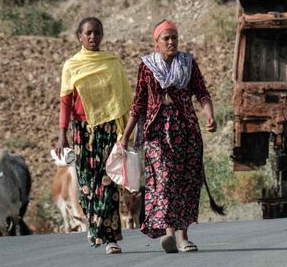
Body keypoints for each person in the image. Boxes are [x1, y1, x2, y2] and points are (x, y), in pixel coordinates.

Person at [120, 20, 216, 253]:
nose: (171, 42)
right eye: (166, 38)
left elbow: (201, 93)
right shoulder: (147, 67)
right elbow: (139, 103)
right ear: (157, 43)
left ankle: (184, 237)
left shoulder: (188, 63)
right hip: (156, 132)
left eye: (174, 37)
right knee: (163, 181)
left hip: (186, 130)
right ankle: (169, 233)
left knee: (185, 181)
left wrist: (210, 116)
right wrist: (125, 136)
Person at [57, 17, 133, 254]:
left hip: (109, 130)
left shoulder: (112, 63)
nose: (93, 37)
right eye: (88, 33)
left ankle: (110, 238)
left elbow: (121, 99)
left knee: (108, 184)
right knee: (87, 185)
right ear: (79, 36)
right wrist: (62, 134)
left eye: (97, 33)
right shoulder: (72, 66)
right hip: (81, 131)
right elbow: (65, 102)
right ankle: (94, 228)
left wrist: (126, 132)